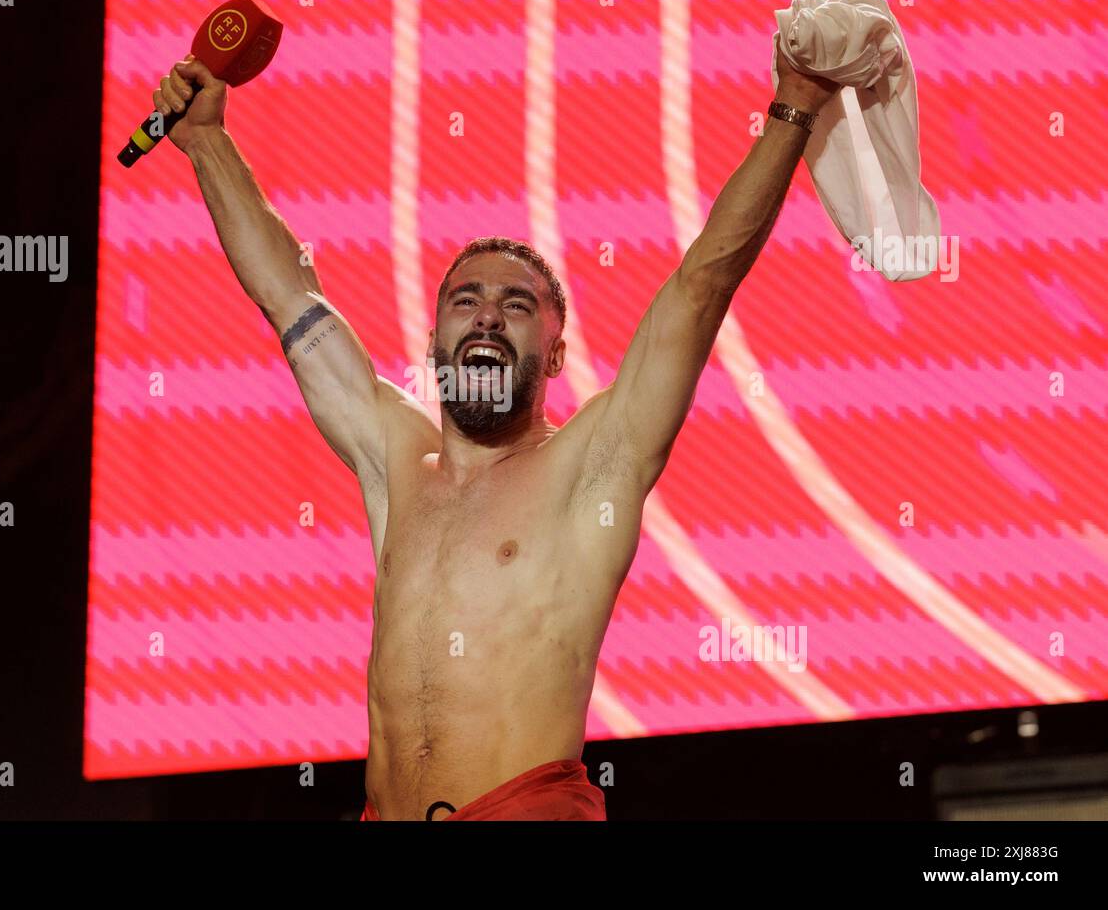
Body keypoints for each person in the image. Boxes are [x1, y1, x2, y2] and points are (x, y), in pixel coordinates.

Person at [149, 41, 839, 820]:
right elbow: (288, 294)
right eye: (465, 300)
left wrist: (794, 107)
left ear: (556, 352)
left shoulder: (590, 465)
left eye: (516, 305)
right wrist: (206, 139)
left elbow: (703, 279)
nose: (485, 313)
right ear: (437, 342)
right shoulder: (395, 458)